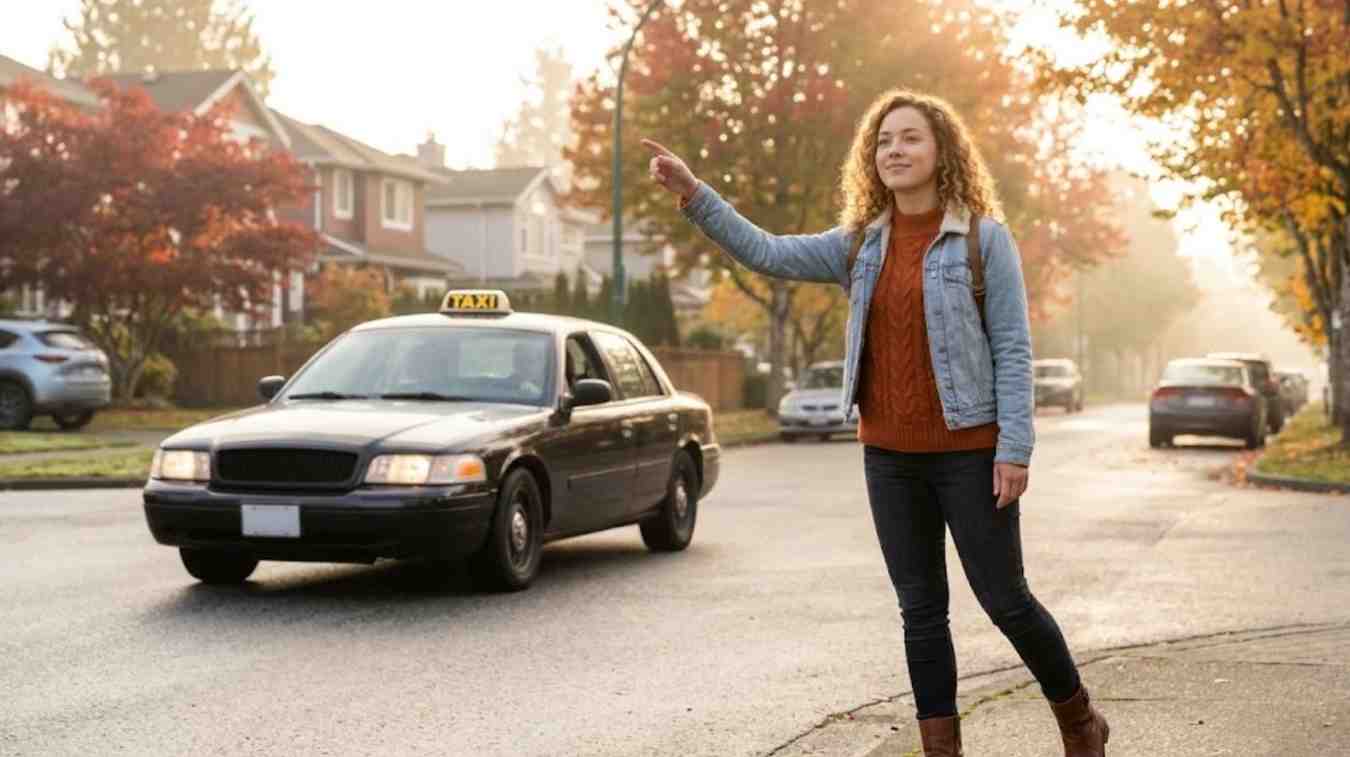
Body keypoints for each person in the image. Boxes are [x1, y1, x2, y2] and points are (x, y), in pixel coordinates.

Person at [643, 89, 1109, 756]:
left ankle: (1079, 720)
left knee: (1006, 600)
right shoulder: (859, 246)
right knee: (921, 612)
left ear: (941, 150)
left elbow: (1012, 348)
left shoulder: (984, 239)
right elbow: (768, 252)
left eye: (910, 137)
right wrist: (695, 194)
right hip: (889, 457)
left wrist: (1015, 448)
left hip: (971, 453)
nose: (895, 149)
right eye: (884, 140)